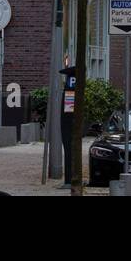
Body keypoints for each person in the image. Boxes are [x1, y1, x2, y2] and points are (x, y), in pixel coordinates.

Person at [59, 54, 77, 184]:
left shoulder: (69, 92)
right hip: (68, 121)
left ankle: (69, 180)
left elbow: (68, 111)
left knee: (69, 147)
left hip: (67, 123)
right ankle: (69, 179)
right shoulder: (71, 92)